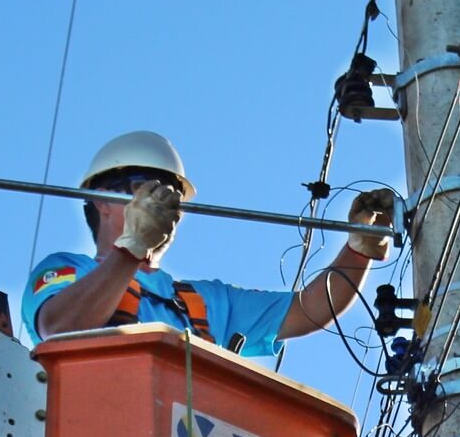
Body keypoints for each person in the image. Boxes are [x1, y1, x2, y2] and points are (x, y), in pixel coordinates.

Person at [22, 130, 396, 357]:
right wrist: (130, 249)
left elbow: (310, 309)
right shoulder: (69, 271)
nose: (164, 204)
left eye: (172, 196)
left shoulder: (205, 302)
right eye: (145, 188)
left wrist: (358, 249)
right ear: (103, 199)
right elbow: (61, 327)